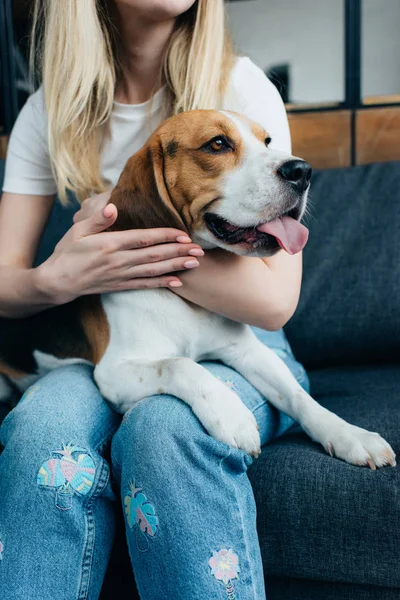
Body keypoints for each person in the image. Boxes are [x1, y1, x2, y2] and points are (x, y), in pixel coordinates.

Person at [0, 1, 309, 598]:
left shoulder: (240, 84)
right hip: (116, 343)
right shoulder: (52, 108)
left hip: (238, 337)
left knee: (163, 432)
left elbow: (274, 304)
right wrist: (56, 280)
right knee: (39, 431)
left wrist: (124, 250)